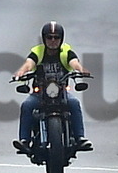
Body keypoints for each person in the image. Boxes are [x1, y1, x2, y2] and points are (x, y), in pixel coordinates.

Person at [11, 21, 92, 153]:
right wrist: (21, 72)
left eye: (56, 37)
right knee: (27, 105)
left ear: (61, 38)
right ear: (44, 38)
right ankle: (24, 140)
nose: (53, 41)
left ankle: (80, 138)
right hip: (40, 94)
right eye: (49, 37)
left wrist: (81, 69)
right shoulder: (38, 51)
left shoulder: (65, 52)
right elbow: (29, 63)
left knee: (74, 103)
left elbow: (74, 62)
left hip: (61, 93)